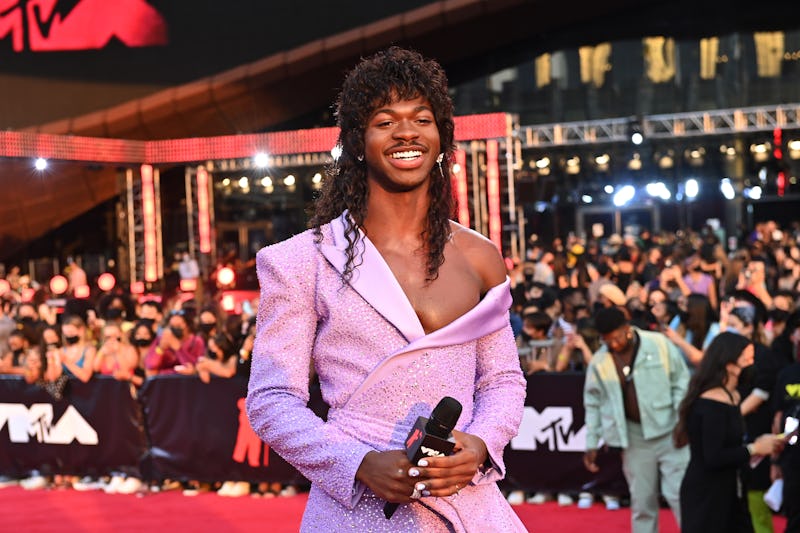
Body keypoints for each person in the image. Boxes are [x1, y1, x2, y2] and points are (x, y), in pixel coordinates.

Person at [246, 47, 527, 532]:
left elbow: (502, 381)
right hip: (357, 512)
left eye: (422, 118)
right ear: (357, 141)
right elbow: (271, 399)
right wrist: (357, 464)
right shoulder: (300, 261)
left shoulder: (480, 256)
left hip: (470, 506)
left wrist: (480, 444)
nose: (406, 132)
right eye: (385, 120)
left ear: (441, 138)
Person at [583, 306, 690, 533]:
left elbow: (681, 381)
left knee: (682, 497)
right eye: (606, 340)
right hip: (633, 438)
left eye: (616, 338)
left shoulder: (658, 344)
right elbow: (592, 403)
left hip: (671, 430)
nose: (613, 344)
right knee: (642, 503)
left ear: (627, 328)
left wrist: (683, 421)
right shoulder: (600, 361)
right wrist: (592, 442)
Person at [674, 332, 782, 533]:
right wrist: (754, 448)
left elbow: (730, 445)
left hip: (730, 490)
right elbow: (713, 456)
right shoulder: (710, 403)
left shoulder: (732, 395)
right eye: (747, 359)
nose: (752, 364)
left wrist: (757, 447)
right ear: (730, 365)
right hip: (706, 495)